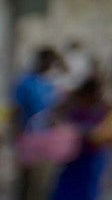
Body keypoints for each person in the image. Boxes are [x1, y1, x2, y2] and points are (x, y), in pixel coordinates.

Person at [11, 47, 63, 200]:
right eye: (47, 61)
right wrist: (17, 135)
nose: (49, 65)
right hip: (27, 138)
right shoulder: (25, 82)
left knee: (42, 182)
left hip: (45, 140)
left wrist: (55, 122)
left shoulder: (48, 84)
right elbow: (16, 110)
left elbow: (53, 110)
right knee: (27, 180)